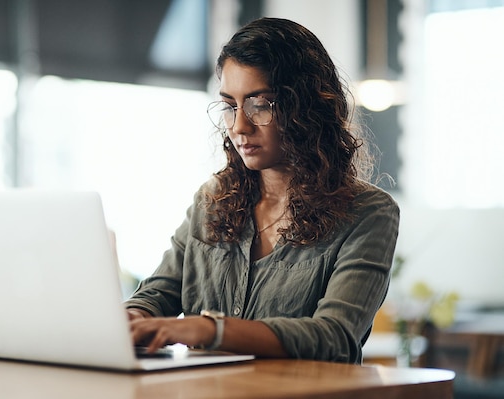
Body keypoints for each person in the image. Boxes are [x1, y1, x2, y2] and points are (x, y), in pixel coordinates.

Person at [125, 17, 400, 364]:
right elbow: (156, 294)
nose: (239, 126)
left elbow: (335, 337)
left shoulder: (368, 212)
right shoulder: (211, 201)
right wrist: (133, 317)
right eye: (229, 106)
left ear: (305, 107)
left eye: (260, 105)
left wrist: (213, 330)